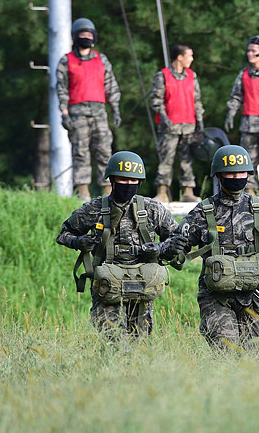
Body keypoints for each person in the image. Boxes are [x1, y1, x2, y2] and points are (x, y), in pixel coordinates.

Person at [169, 145, 259, 351]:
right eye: (231, 173)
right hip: (216, 296)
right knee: (226, 352)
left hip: (253, 293)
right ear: (220, 175)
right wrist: (175, 247)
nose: (236, 176)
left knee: (256, 353)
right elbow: (179, 246)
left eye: (241, 172)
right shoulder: (205, 211)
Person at [56, 151, 184, 340]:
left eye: (133, 180)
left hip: (142, 285)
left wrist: (161, 250)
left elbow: (177, 240)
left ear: (140, 182)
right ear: (112, 180)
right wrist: (78, 242)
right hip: (108, 287)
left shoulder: (153, 209)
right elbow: (63, 234)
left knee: (140, 344)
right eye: (123, 180)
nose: (128, 185)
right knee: (112, 343)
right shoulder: (94, 209)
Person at [55, 18, 121, 201]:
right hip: (77, 113)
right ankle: (83, 192)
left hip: (99, 112)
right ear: (76, 37)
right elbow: (61, 89)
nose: (86, 37)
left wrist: (115, 108)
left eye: (89, 34)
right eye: (82, 35)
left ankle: (108, 191)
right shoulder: (66, 61)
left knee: (104, 150)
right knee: (81, 151)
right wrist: (64, 113)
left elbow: (111, 85)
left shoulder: (101, 59)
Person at [224, 35, 259, 196]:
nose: (249, 54)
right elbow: (237, 96)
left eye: (253, 51)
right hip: (248, 124)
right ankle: (249, 191)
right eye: (248, 50)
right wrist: (231, 113)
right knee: (248, 160)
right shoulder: (243, 75)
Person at [150, 44, 205, 203]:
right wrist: (163, 116)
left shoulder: (191, 76)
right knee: (166, 159)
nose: (192, 59)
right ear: (179, 57)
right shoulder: (163, 76)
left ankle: (188, 191)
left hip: (189, 125)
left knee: (187, 160)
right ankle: (162, 191)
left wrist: (200, 119)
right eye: (189, 55)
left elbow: (197, 100)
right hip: (169, 126)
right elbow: (156, 100)